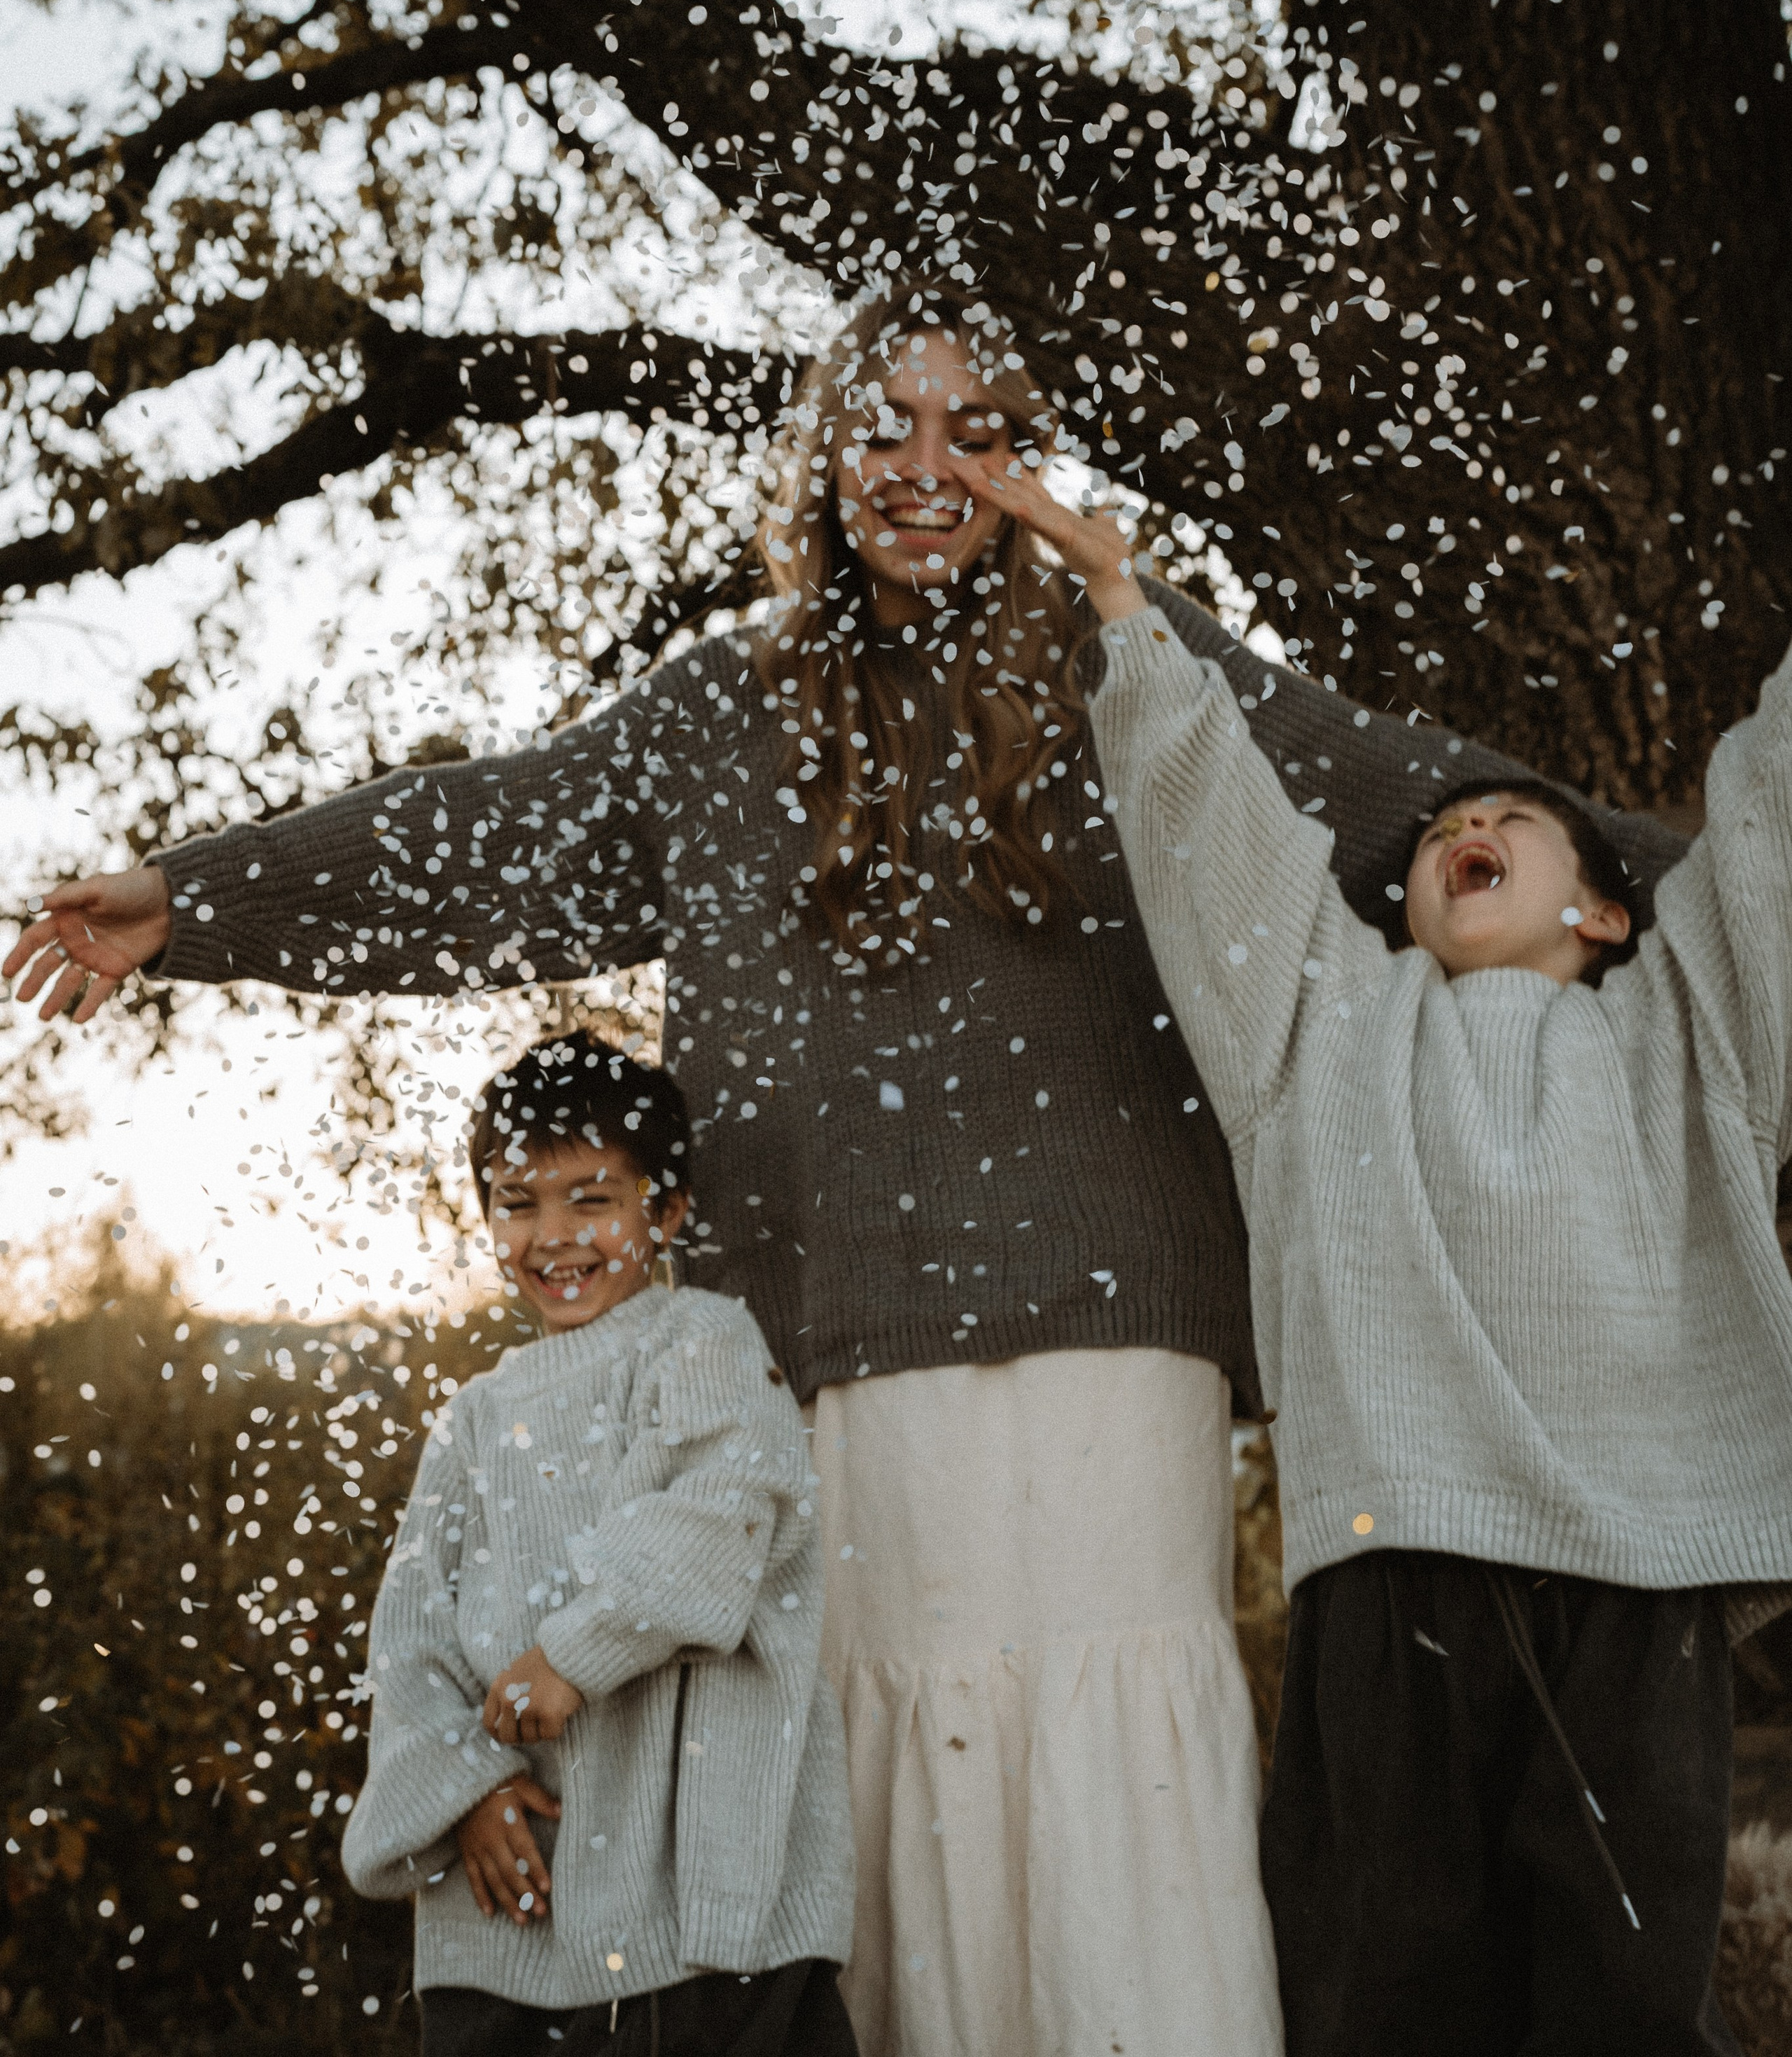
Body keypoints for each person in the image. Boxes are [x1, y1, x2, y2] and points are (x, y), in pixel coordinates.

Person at [4, 288, 1686, 2057]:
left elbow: (1418, 798)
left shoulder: (1139, 662)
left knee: (1109, 1766)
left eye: (973, 429)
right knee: (871, 1791)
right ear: (818, 462)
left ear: (1025, 465)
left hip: (1109, 1335)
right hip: (819, 1351)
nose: (923, 465)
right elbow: (477, 837)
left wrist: (1704, 912)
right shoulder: (717, 713)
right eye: (883, 425)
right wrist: (200, 896)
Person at [974, 454, 1792, 2057]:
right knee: (1379, 1987)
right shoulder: (1323, 1024)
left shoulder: (1693, 1036)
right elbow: (1215, 831)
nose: (1468, 823)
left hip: (1641, 1582)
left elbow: (1766, 824)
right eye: (1440, 829)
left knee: (1624, 2003)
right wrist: (1123, 610)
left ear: (1609, 916)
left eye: (1515, 822)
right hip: (1393, 1557)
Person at [342, 1034, 858, 2057]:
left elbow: (722, 1513)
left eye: (592, 1198)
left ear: (662, 1212)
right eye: (518, 1201)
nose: (553, 1234)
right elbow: (408, 1642)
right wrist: (467, 1786)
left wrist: (574, 1653)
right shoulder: (474, 1419)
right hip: (512, 1911)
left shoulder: (702, 1340)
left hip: (704, 1911)